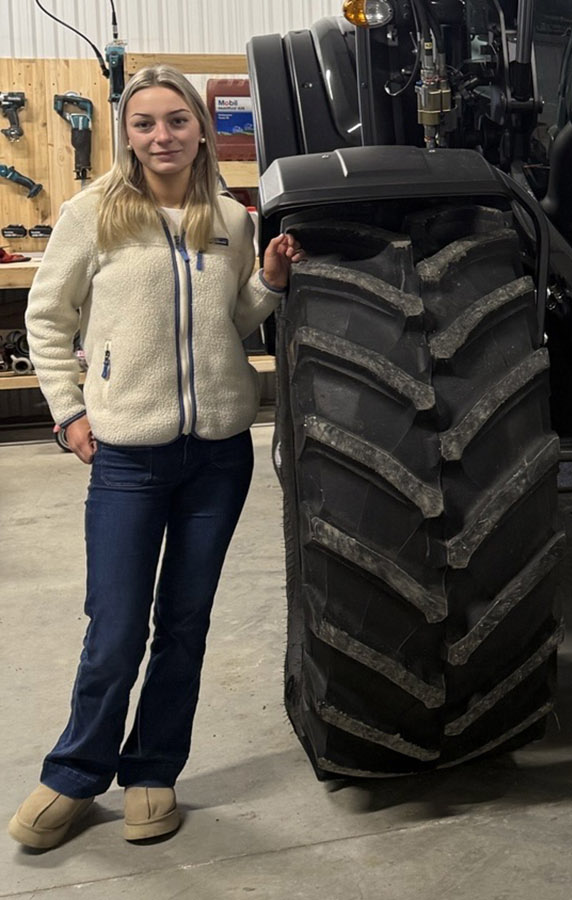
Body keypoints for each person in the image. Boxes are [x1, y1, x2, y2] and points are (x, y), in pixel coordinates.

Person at [9, 64, 303, 850]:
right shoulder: (92, 214)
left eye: (176, 120)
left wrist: (270, 281)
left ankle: (152, 771)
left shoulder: (230, 218)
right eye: (145, 123)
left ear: (200, 130)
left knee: (184, 623)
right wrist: (69, 412)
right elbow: (47, 318)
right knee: (115, 626)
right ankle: (75, 773)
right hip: (128, 461)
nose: (162, 136)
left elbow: (234, 317)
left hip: (218, 458)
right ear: (127, 134)